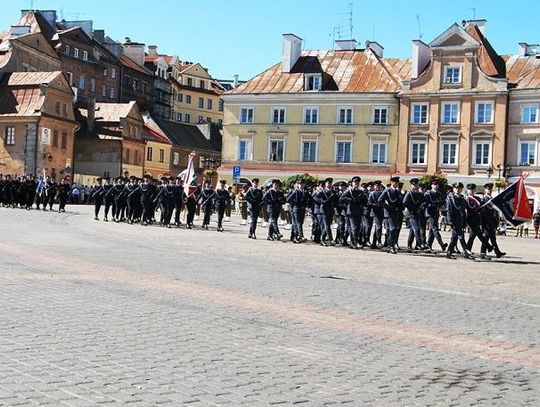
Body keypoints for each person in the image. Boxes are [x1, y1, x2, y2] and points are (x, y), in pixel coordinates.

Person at [445, 182, 473, 259]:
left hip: (460, 221)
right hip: (454, 220)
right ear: (453, 189)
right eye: (456, 188)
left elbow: (463, 211)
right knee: (460, 236)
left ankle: (449, 252)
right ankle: (466, 250)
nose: (458, 190)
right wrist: (450, 221)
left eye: (459, 188)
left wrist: (464, 221)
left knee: (455, 237)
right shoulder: (450, 198)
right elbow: (448, 210)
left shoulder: (462, 198)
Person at [464, 183, 492, 257]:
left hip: (476, 219)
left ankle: (467, 251)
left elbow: (482, 208)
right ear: (467, 190)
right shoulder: (466, 199)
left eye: (473, 190)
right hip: (469, 220)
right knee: (479, 235)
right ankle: (488, 246)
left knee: (472, 236)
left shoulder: (478, 199)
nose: (471, 191)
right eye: (470, 189)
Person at [340, 176, 367, 249]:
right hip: (351, 211)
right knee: (354, 228)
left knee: (356, 228)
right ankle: (355, 242)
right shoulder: (349, 191)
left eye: (358, 182)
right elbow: (342, 199)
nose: (356, 184)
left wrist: (361, 202)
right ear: (352, 183)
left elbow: (365, 201)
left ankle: (352, 242)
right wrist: (350, 200)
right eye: (355, 182)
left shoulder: (361, 191)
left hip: (358, 211)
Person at [481, 183, 506, 258]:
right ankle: (483, 253)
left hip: (492, 221)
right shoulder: (484, 199)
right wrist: (483, 223)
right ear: (485, 189)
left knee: (493, 238)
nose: (490, 190)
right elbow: (483, 212)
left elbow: (495, 211)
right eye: (488, 189)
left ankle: (497, 252)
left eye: (491, 189)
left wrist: (496, 221)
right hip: (487, 221)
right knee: (486, 237)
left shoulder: (492, 199)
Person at [378, 176, 402, 254]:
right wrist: (388, 207)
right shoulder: (387, 191)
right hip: (389, 212)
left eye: (397, 182)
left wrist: (400, 207)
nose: (396, 184)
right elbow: (380, 200)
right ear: (392, 182)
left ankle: (390, 245)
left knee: (394, 229)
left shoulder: (398, 192)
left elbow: (400, 202)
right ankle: (391, 246)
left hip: (395, 212)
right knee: (392, 228)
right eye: (395, 182)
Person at [403, 178, 426, 252]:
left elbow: (423, 201)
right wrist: (411, 209)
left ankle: (409, 246)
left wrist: (420, 207)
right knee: (416, 228)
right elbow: (405, 202)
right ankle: (420, 243)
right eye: (414, 184)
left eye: (416, 184)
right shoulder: (409, 193)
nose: (415, 186)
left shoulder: (419, 193)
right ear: (411, 185)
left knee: (412, 230)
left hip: (416, 213)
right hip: (411, 213)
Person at [425, 180, 448, 252]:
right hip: (430, 212)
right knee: (435, 228)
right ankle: (441, 244)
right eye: (434, 184)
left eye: (437, 184)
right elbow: (427, 202)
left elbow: (441, 202)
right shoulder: (428, 193)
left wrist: (440, 206)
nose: (436, 186)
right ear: (431, 185)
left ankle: (429, 245)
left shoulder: (439, 193)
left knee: (432, 230)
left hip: (436, 212)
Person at [287, 178, 309, 243]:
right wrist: (294, 204)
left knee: (299, 223)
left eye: (302, 184)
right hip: (296, 209)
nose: (301, 185)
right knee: (298, 223)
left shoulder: (305, 192)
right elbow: (288, 199)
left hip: (302, 209)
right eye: (300, 184)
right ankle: (301, 235)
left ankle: (295, 237)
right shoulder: (295, 191)